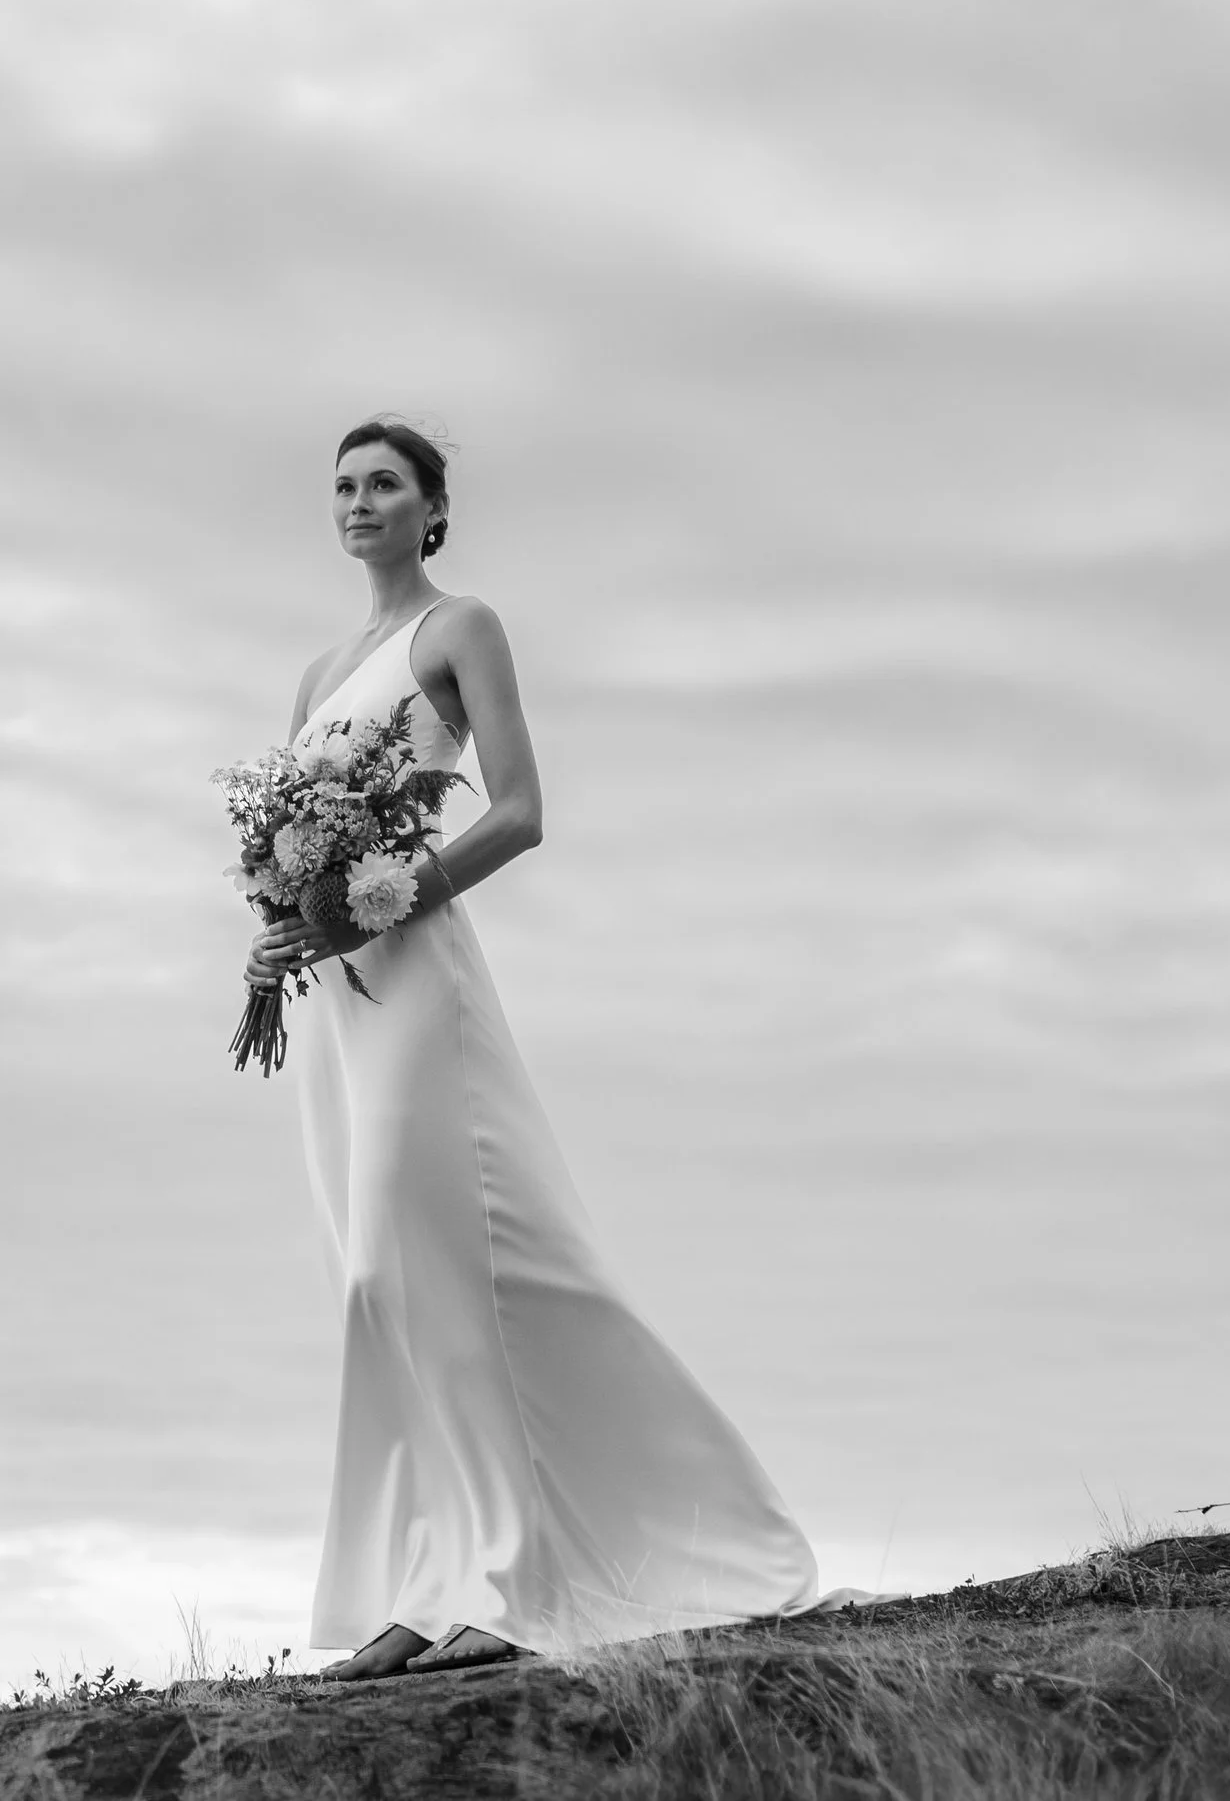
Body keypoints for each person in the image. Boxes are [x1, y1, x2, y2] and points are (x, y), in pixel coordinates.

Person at [250, 418, 817, 1674]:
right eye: (341, 485)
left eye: (383, 483)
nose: (358, 501)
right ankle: (418, 1578)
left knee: (441, 1272)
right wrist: (283, 932)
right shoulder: (316, 668)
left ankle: (506, 1583)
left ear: (431, 508)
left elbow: (518, 812)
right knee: (374, 1282)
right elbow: (293, 844)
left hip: (417, 980)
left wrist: (383, 896)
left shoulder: (459, 628)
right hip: (338, 998)